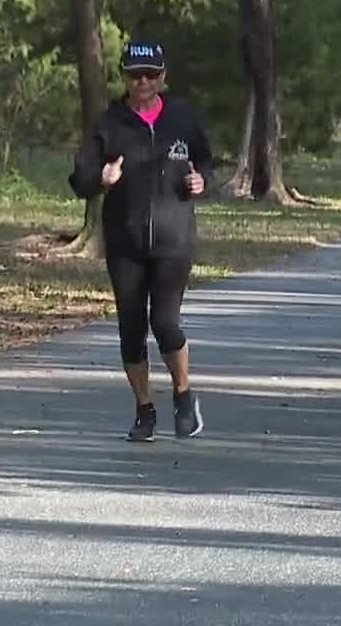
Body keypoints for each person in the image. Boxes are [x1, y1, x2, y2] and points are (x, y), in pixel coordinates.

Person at [69, 41, 213, 443]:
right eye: (135, 75)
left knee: (165, 323)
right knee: (131, 329)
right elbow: (79, 179)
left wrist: (202, 181)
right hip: (125, 242)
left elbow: (206, 162)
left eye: (151, 74)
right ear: (125, 77)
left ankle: (184, 396)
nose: (143, 82)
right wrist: (101, 178)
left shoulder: (182, 119)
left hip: (174, 239)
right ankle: (144, 408)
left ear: (163, 77)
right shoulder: (110, 124)